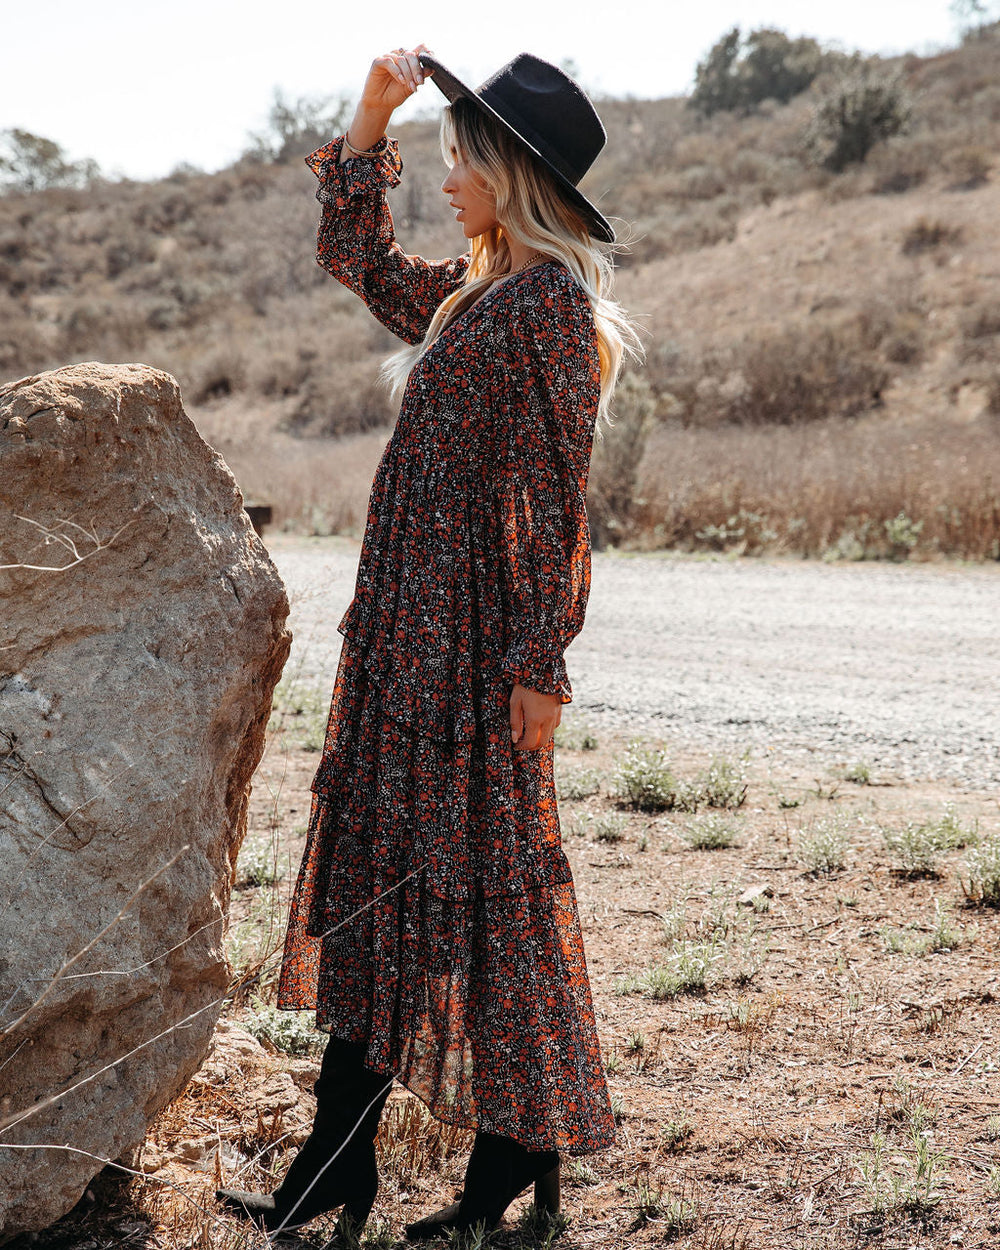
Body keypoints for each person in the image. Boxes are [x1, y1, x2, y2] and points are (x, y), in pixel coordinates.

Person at [218, 45, 639, 1242]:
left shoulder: (547, 309)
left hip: (468, 651)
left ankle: (500, 1146)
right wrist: (370, 115)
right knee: (387, 882)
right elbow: (355, 255)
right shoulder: (474, 293)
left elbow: (554, 496)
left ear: (513, 176)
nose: (445, 180)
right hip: (408, 636)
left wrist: (540, 661)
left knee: (478, 889)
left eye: (461, 161)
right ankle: (345, 1159)